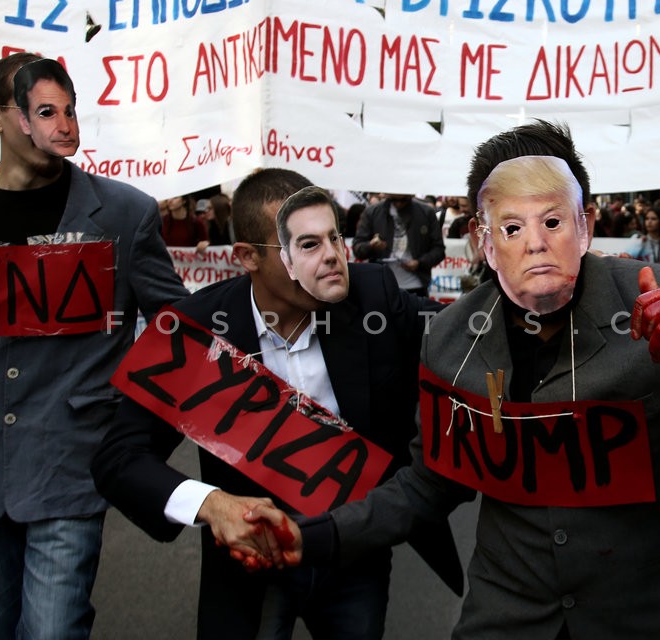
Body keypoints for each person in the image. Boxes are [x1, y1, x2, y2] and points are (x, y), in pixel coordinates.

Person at [244, 120, 660, 639]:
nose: (537, 244)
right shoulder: (452, 338)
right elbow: (428, 485)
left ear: (585, 224)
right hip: (510, 617)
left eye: (553, 221)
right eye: (512, 226)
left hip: (653, 616)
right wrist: (312, 536)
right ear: (483, 238)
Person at [91, 170, 460, 640]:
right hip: (248, 565)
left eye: (334, 236)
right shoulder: (198, 329)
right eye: (306, 245)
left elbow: (459, 335)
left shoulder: (374, 296)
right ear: (247, 257)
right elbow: (118, 458)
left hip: (351, 554)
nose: (332, 256)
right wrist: (214, 505)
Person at [0, 54, 187, 639]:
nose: (65, 125)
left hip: (71, 462)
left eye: (71, 111)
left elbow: (178, 328)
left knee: (54, 629)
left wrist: (133, 430)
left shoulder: (126, 213)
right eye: (46, 111)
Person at [352, 194, 445, 297]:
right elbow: (357, 248)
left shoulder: (426, 212)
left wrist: (419, 263)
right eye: (394, 200)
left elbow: (439, 250)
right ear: (387, 195)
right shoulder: (372, 212)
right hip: (381, 285)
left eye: (404, 200)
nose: (398, 204)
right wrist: (371, 245)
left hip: (416, 285)